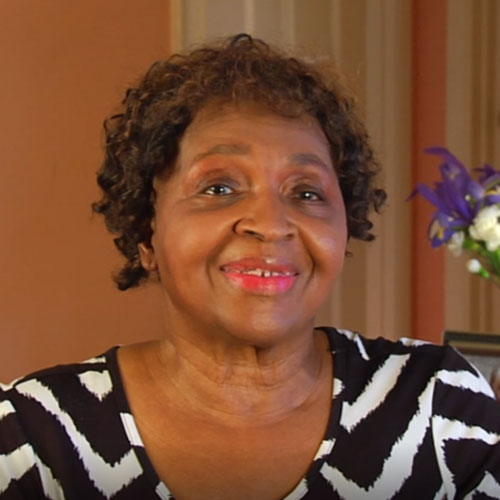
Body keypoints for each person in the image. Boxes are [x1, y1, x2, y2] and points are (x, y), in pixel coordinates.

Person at [1, 34, 499, 500]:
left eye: (307, 193)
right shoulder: (33, 436)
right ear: (145, 232)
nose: (271, 225)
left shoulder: (439, 406)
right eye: (219, 188)